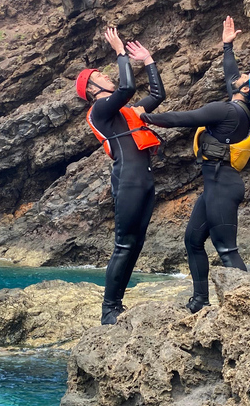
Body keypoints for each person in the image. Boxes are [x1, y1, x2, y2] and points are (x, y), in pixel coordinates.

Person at [135, 16, 250, 313]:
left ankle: (249, 312)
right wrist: (227, 47)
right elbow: (232, 77)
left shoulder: (226, 111)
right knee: (193, 240)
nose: (240, 76)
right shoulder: (241, 110)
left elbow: (182, 118)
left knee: (227, 251)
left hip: (222, 187)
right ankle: (199, 301)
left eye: (246, 77)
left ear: (247, 90)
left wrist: (145, 117)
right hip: (216, 184)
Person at [75, 28, 166, 325]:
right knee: (124, 244)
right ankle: (108, 309)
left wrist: (149, 61)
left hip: (144, 179)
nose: (106, 75)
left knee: (136, 244)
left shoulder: (127, 112)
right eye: (99, 75)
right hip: (127, 179)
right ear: (90, 88)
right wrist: (120, 53)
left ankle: (118, 305)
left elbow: (157, 95)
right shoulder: (100, 109)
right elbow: (126, 87)